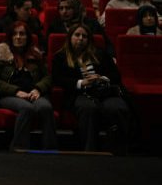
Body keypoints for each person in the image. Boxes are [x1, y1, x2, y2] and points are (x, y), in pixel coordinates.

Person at [51, 22, 130, 153]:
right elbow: (57, 79)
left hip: (105, 92)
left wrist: (101, 78)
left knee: (118, 107)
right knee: (88, 108)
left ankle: (118, 151)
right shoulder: (60, 57)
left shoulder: (100, 54)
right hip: (79, 94)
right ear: (70, 37)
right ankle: (89, 150)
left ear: (89, 40)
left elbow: (115, 75)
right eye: (77, 35)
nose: (80, 38)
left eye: (84, 36)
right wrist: (82, 83)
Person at [0, 21, 57, 151]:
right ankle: (19, 147)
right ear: (10, 36)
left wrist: (38, 89)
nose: (18, 37)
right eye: (15, 34)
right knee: (26, 108)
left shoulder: (35, 53)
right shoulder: (1, 52)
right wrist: (16, 91)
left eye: (22, 34)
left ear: (28, 37)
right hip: (10, 94)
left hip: (33, 92)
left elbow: (48, 77)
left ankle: (50, 149)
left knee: (46, 107)